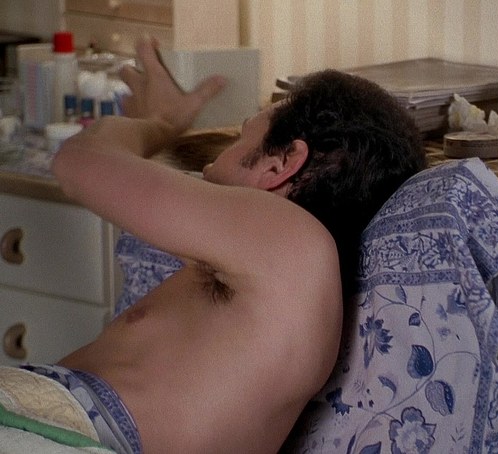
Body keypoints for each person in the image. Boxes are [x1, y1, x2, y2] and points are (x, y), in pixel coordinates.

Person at [8, 37, 426, 453]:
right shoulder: (284, 269)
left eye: (240, 138)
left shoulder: (290, 237)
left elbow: (79, 163)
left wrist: (161, 122)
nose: (208, 166)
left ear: (281, 164)